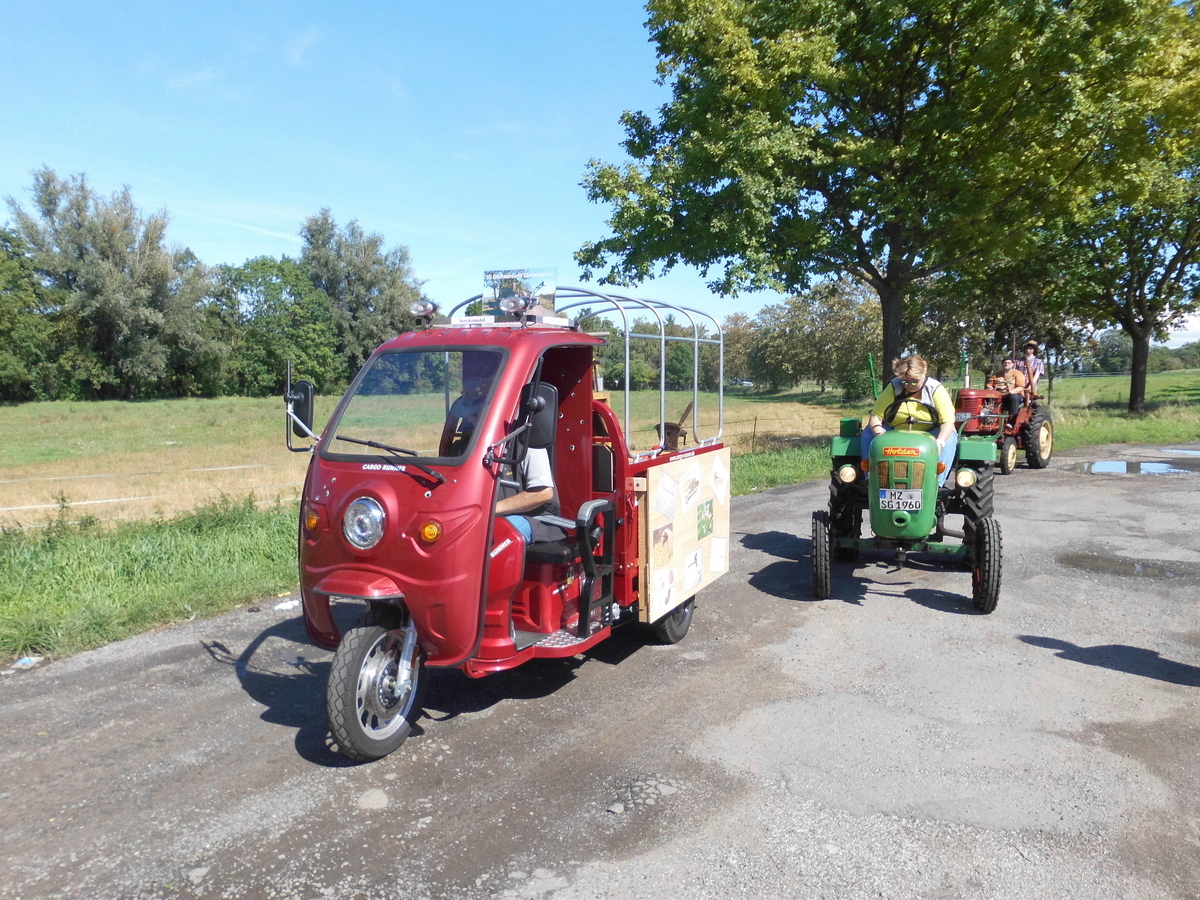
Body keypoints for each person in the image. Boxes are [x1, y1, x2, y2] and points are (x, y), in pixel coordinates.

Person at [862, 355, 958, 485]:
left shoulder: (935, 389)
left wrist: (940, 442)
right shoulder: (894, 387)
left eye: (914, 381)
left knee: (950, 436)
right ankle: (871, 478)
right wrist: (880, 435)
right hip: (895, 431)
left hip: (929, 432)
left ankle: (936, 483)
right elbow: (875, 417)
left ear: (924, 372)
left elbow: (947, 422)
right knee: (868, 433)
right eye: (905, 382)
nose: (909, 385)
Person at [438, 352, 500, 456]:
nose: (469, 420)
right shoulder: (460, 448)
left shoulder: (504, 445)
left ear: (490, 412)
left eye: (475, 414)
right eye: (468, 415)